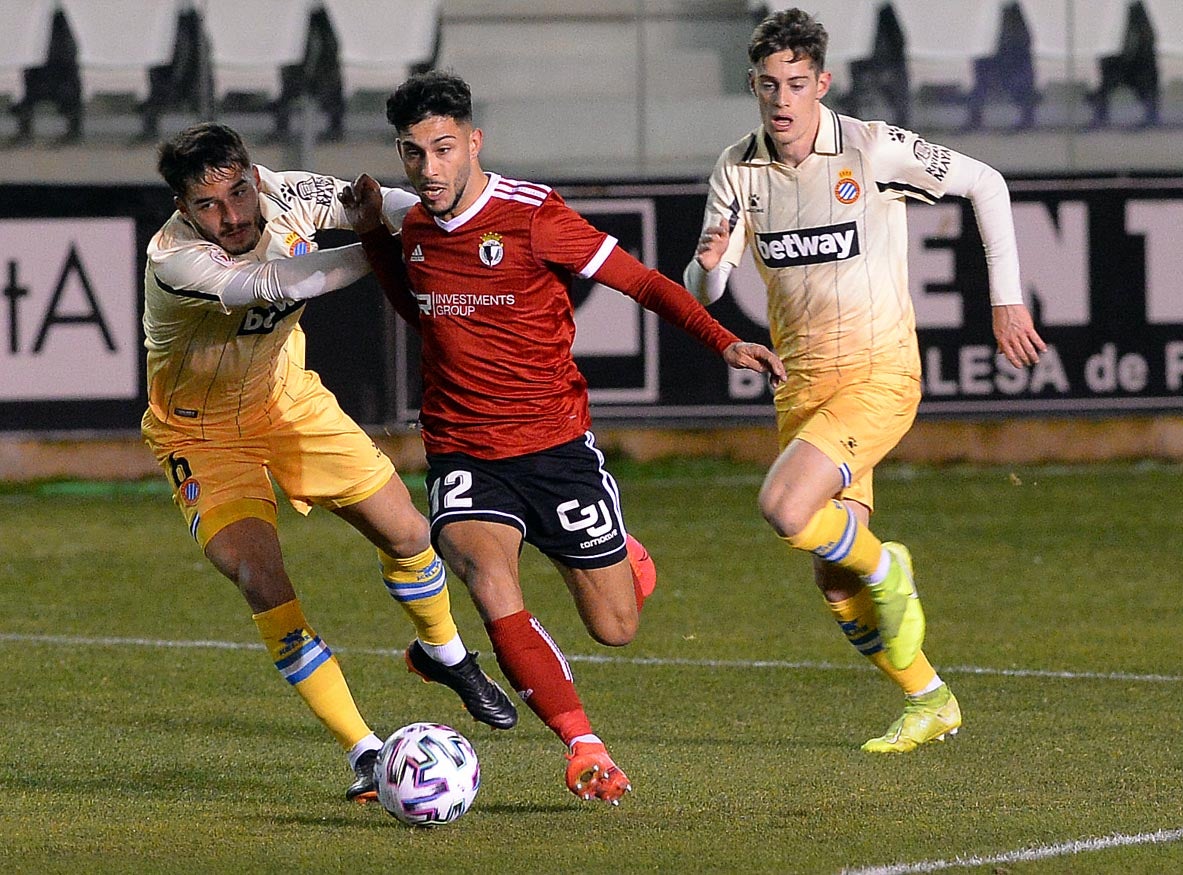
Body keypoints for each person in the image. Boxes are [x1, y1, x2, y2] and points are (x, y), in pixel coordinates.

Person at [339, 71, 786, 804]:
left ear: (473, 141)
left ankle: (623, 555)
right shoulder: (413, 226)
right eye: (413, 154)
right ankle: (583, 745)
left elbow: (640, 281)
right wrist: (375, 242)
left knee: (615, 625)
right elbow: (420, 306)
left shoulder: (532, 214)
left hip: (554, 447)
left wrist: (723, 341)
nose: (429, 169)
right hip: (462, 447)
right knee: (486, 574)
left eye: (443, 148)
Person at [683, 9, 1046, 753]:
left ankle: (891, 564)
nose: (780, 100)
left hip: (878, 373)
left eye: (794, 84)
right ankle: (928, 698)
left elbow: (986, 183)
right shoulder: (736, 167)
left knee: (786, 509)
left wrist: (1004, 297)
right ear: (752, 87)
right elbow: (706, 289)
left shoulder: (871, 148)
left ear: (821, 83)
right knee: (833, 583)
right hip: (803, 387)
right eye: (766, 85)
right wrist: (709, 259)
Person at [140, 122, 517, 804]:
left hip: (288, 402)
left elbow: (385, 203)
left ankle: (445, 654)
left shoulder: (289, 193)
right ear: (182, 209)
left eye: (238, 191)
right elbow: (284, 279)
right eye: (208, 205)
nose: (230, 214)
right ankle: (366, 750)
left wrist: (443, 218)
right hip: (202, 437)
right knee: (260, 576)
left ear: (254, 174)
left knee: (408, 534)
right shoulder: (174, 260)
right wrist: (386, 249)